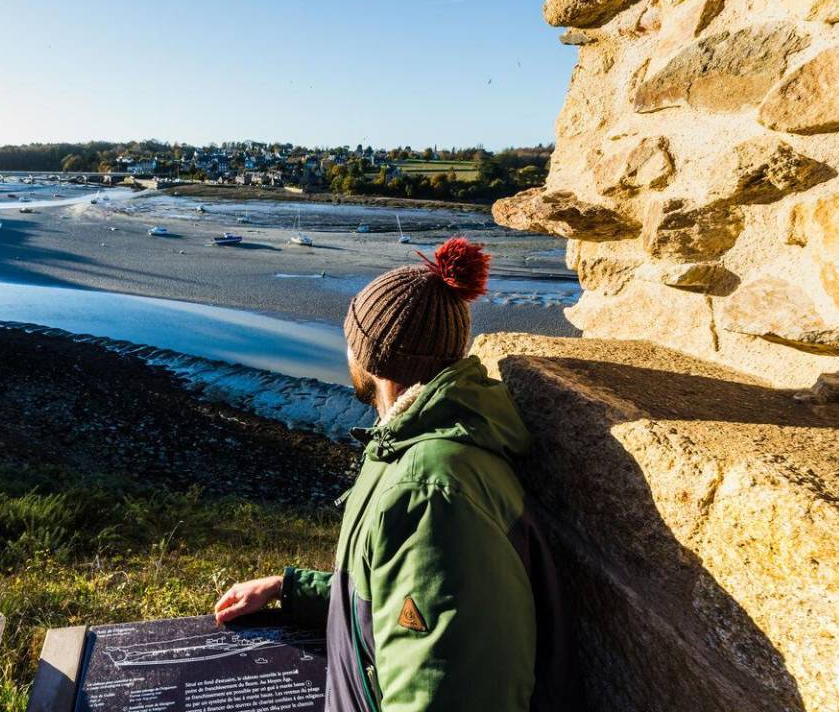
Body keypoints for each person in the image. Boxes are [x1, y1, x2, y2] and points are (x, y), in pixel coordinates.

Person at [214, 238, 576, 711]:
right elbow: (402, 594)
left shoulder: (431, 493)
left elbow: (445, 688)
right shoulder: (409, 446)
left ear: (374, 360)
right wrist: (292, 590)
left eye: (351, 338)